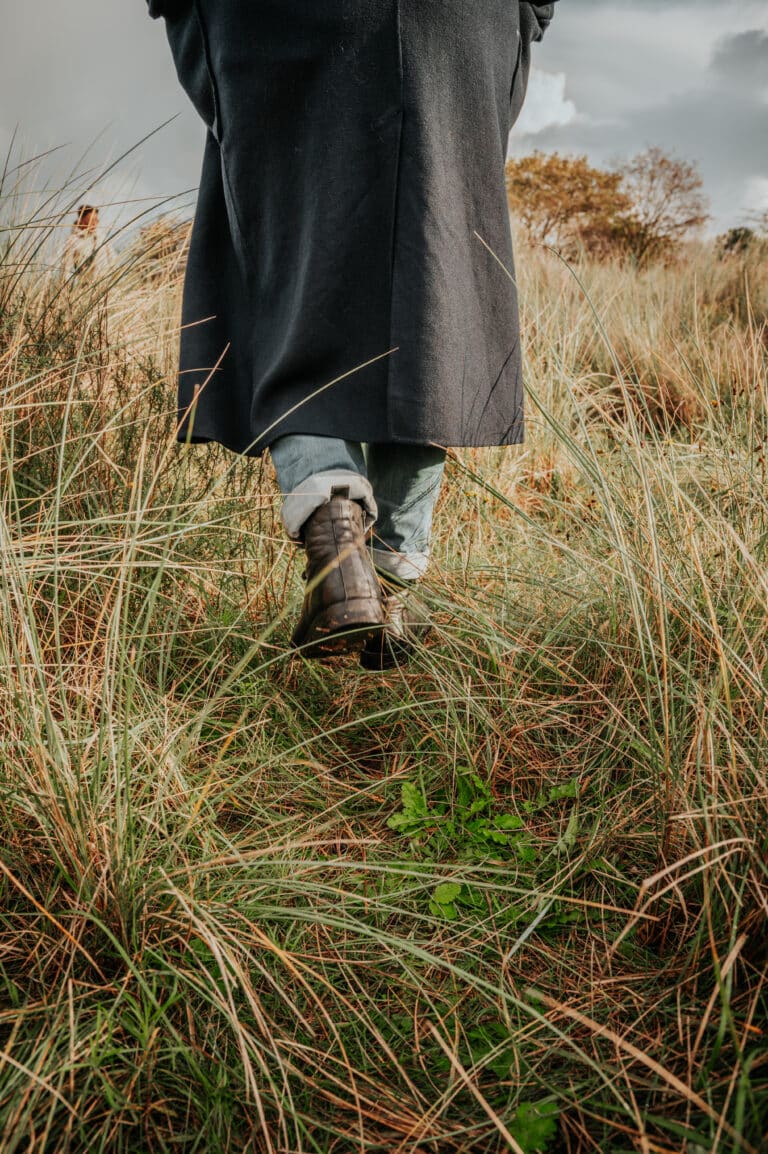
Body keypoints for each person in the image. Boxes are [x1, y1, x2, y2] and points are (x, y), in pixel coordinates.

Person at [148, 0, 558, 666]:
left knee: (284, 283)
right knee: (433, 290)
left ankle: (330, 510)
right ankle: (393, 580)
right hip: (459, 22)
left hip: (274, 26)